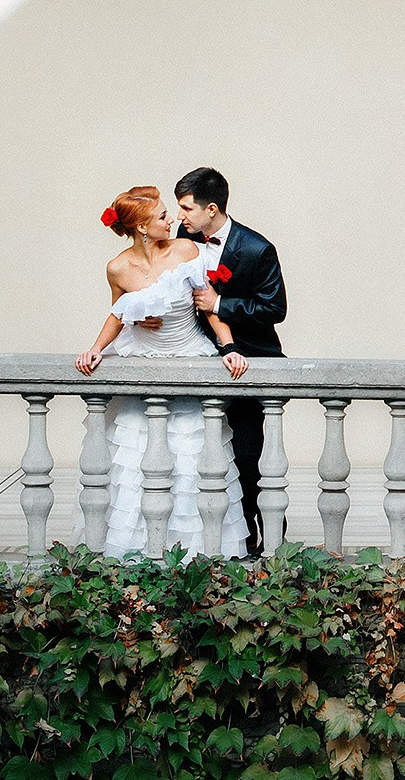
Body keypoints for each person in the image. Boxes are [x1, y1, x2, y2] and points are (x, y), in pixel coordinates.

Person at [75, 186, 248, 558]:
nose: (172, 221)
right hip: (144, 359)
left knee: (190, 454)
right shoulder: (118, 267)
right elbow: (118, 313)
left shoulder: (186, 251)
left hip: (188, 355)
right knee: (137, 457)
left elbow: (208, 308)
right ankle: (137, 547)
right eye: (163, 216)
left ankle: (195, 549)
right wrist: (96, 348)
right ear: (141, 227)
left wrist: (229, 347)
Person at [171, 167, 285, 557]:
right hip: (195, 358)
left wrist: (220, 303)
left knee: (248, 457)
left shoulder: (256, 249)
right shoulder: (183, 238)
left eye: (187, 208)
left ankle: (269, 539)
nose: (180, 216)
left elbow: (275, 309)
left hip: (247, 362)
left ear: (212, 209)